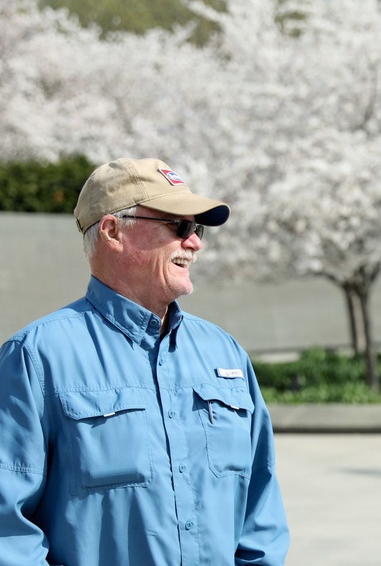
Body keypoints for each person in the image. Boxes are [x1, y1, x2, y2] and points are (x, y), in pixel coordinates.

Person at [0, 158, 290, 565]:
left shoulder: (226, 353)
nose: (195, 243)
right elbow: (7, 533)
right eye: (179, 226)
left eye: (198, 228)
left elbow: (261, 513)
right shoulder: (35, 357)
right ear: (113, 230)